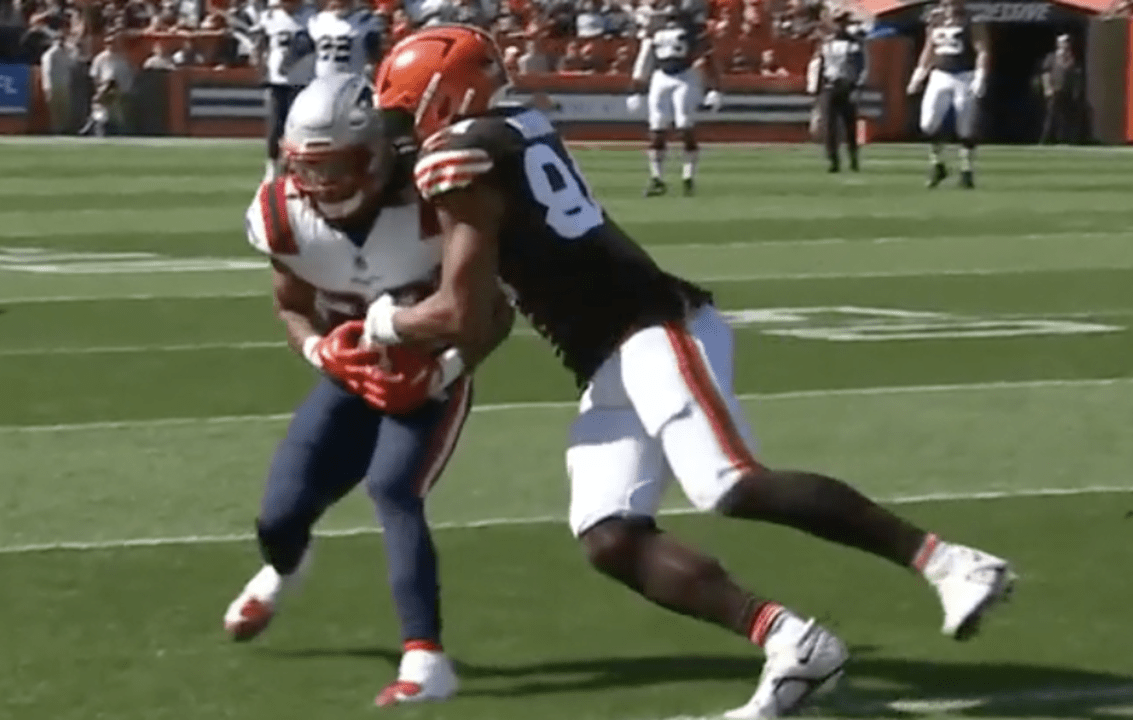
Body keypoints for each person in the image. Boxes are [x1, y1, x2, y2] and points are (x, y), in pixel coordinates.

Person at [370, 25, 1017, 719]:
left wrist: (383, 323)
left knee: (728, 481)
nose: (401, 129)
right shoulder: (511, 126)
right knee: (610, 534)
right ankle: (792, 642)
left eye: (406, 111)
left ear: (444, 99)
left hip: (652, 327)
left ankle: (949, 561)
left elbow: (461, 312)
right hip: (602, 352)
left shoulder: (464, 153)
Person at [222, 72, 512, 706]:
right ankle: (286, 570)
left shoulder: (437, 198)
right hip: (349, 366)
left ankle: (426, 659)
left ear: (376, 154)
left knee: (393, 487)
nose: (322, 185)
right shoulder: (281, 214)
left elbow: (496, 311)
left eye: (337, 166)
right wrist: (319, 348)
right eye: (309, 167)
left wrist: (446, 369)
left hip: (433, 367)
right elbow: (291, 305)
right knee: (279, 516)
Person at [630, 8, 722, 196]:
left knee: (684, 125)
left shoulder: (693, 26)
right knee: (656, 128)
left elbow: (706, 57)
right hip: (661, 76)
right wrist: (636, 88)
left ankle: (688, 176)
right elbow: (644, 58)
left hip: (685, 76)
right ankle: (657, 178)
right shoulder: (655, 25)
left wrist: (714, 88)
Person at [907, 0, 989, 189]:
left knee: (965, 126)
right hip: (939, 75)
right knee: (928, 123)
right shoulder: (936, 22)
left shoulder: (971, 21)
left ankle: (966, 170)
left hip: (964, 75)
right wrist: (918, 76)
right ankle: (937, 164)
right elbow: (928, 51)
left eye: (953, 3)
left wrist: (980, 76)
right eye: (946, 3)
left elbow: (982, 50)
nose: (950, 7)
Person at [256, 0, 316, 180]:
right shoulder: (270, 16)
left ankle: (299, 167)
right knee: (275, 127)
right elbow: (261, 44)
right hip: (277, 80)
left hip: (304, 80)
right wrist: (261, 68)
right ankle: (272, 166)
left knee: (302, 128)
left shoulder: (312, 17)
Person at [811, 11, 866, 172]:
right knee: (829, 126)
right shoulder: (826, 43)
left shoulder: (854, 44)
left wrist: (857, 87)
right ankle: (833, 160)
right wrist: (817, 89)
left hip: (847, 85)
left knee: (850, 125)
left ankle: (853, 159)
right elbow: (821, 67)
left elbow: (860, 68)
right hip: (830, 85)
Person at [308, 0, 382, 79]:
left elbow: (376, 57)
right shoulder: (316, 21)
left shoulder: (368, 20)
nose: (338, 2)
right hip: (323, 84)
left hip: (354, 83)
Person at [1039, 33, 1083, 145]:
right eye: (1063, 42)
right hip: (1054, 91)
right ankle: (1046, 139)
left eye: (1067, 42)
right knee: (1051, 115)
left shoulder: (1072, 58)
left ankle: (1063, 139)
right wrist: (1047, 88)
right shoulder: (1052, 57)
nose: (1066, 44)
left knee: (1066, 117)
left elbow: (1076, 74)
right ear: (1058, 44)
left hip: (1067, 91)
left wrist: (1076, 90)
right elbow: (1046, 73)